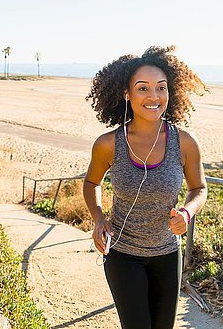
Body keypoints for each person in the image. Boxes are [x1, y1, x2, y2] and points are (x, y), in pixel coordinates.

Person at [83, 46, 208, 328]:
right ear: (127, 94)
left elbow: (199, 188)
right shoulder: (108, 144)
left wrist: (187, 214)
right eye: (143, 88)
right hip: (123, 255)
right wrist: (99, 219)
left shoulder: (185, 142)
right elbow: (91, 183)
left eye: (161, 88)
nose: (153, 97)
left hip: (166, 254)